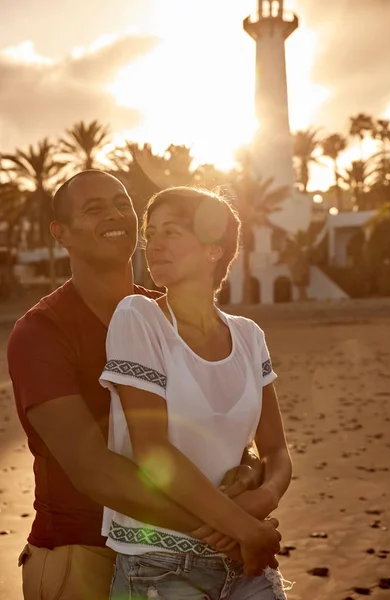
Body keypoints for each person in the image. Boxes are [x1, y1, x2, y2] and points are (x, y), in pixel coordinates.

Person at [7, 170, 282, 600]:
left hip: (190, 549)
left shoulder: (164, 317)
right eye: (94, 209)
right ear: (61, 233)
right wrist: (231, 525)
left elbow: (215, 429)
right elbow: (94, 472)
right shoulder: (40, 332)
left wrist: (247, 474)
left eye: (123, 204)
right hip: (79, 554)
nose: (116, 214)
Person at [100, 186, 292, 600]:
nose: (155, 245)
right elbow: (152, 453)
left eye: (173, 231)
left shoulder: (248, 336)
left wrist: (260, 502)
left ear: (214, 250)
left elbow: (276, 451)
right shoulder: (138, 318)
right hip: (159, 566)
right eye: (151, 234)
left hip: (245, 561)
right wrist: (242, 527)